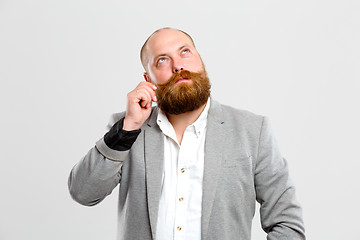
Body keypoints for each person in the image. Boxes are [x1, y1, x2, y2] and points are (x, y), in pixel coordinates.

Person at [68, 27, 306, 240]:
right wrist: (128, 128)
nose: (177, 66)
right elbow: (83, 192)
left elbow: (287, 224)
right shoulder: (127, 129)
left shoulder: (252, 130)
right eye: (162, 60)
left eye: (185, 52)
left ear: (200, 60)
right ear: (148, 79)